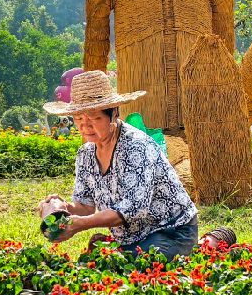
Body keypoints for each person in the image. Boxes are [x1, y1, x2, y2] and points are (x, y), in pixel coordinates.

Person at [38, 70, 198, 260]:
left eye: (94, 118)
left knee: (138, 264)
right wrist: (63, 208)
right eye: (79, 118)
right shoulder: (86, 154)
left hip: (171, 230)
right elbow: (85, 207)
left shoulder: (136, 146)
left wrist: (81, 223)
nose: (84, 126)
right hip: (132, 236)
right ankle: (119, 250)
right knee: (107, 262)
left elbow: (132, 210)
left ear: (113, 113)